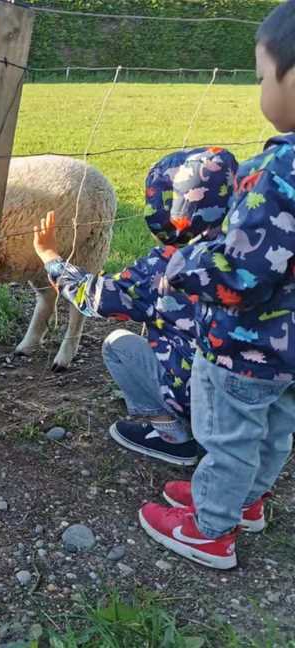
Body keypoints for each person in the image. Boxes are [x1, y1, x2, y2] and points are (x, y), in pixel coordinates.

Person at [138, 0, 295, 570]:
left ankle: (210, 529)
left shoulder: (280, 172)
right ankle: (244, 503)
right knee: (276, 429)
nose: (260, 91)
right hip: (291, 348)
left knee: (229, 435)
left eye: (261, 77)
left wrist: (190, 266)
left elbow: (243, 272)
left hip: (248, 346)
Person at [32, 147, 238, 466]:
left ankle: (173, 435)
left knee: (118, 345)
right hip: (249, 395)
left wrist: (51, 258)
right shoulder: (255, 256)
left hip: (198, 394)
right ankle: (243, 435)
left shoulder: (161, 268)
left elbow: (96, 297)